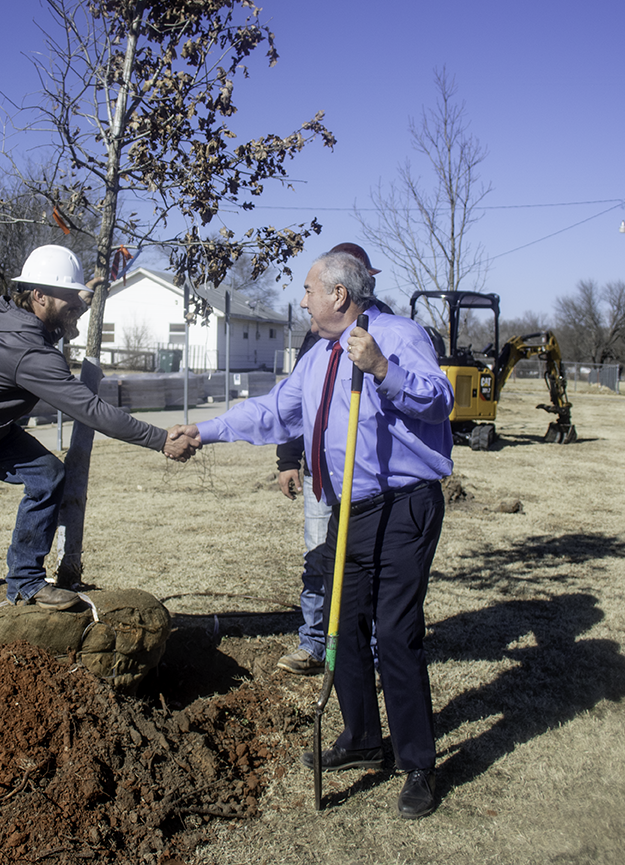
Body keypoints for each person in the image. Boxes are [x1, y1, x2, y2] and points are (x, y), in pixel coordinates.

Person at [176, 249, 454, 820]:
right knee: (340, 624)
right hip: (349, 509)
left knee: (395, 633)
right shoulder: (320, 354)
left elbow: (441, 401)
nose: (302, 298)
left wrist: (381, 369)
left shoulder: (397, 335)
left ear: (339, 296)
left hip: (404, 506)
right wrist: (206, 430)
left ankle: (418, 762)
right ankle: (360, 736)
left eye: (308, 289)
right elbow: (275, 412)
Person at [0, 245, 196, 666]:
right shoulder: (29, 352)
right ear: (39, 297)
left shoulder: (9, 312)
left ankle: (25, 580)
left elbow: (52, 313)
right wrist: (159, 439)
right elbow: (91, 410)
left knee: (47, 475)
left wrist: (79, 296)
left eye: (79, 297)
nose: (78, 306)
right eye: (69, 298)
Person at [273, 242, 390, 676]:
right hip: (320, 473)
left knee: (368, 566)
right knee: (318, 558)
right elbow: (296, 402)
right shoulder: (317, 334)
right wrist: (288, 458)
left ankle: (374, 654)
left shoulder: (384, 328)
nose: (304, 301)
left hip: (365, 478)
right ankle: (315, 642)